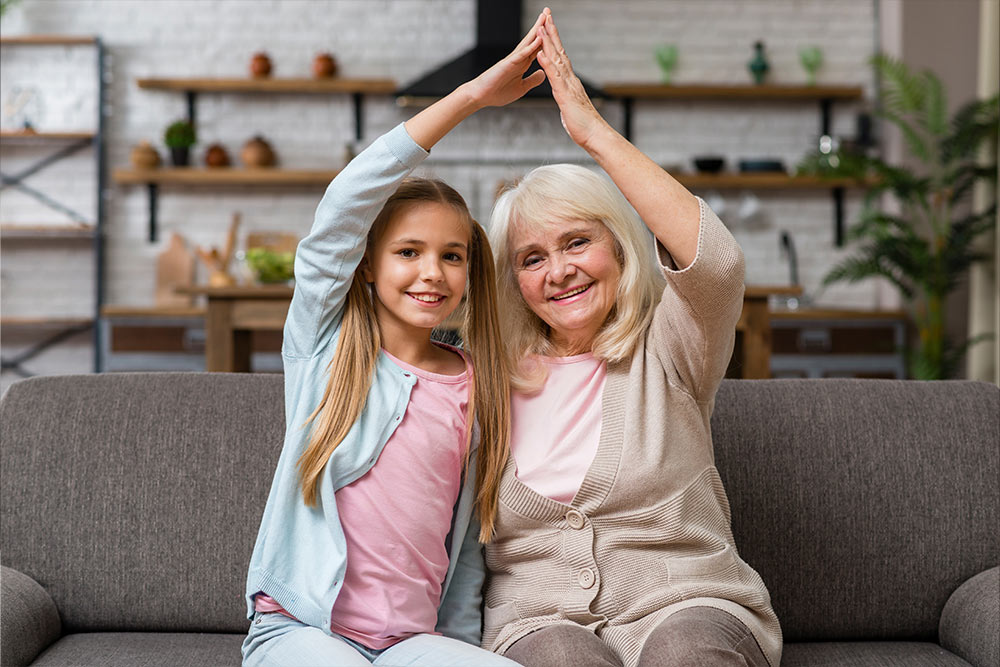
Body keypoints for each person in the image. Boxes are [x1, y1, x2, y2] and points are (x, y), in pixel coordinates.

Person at [241, 12, 553, 666]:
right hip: (304, 632)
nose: (431, 272)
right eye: (408, 251)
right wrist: (469, 98)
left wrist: (454, 646)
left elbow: (467, 548)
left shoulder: (476, 383)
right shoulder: (322, 349)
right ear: (367, 263)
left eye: (452, 255)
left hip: (414, 642)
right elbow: (340, 211)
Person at [482, 9, 782, 667]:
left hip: (688, 605)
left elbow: (718, 261)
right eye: (531, 258)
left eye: (577, 242)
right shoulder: (486, 374)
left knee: (689, 654)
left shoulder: (670, 345)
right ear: (516, 281)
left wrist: (591, 132)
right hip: (536, 622)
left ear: (619, 248)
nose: (557, 270)